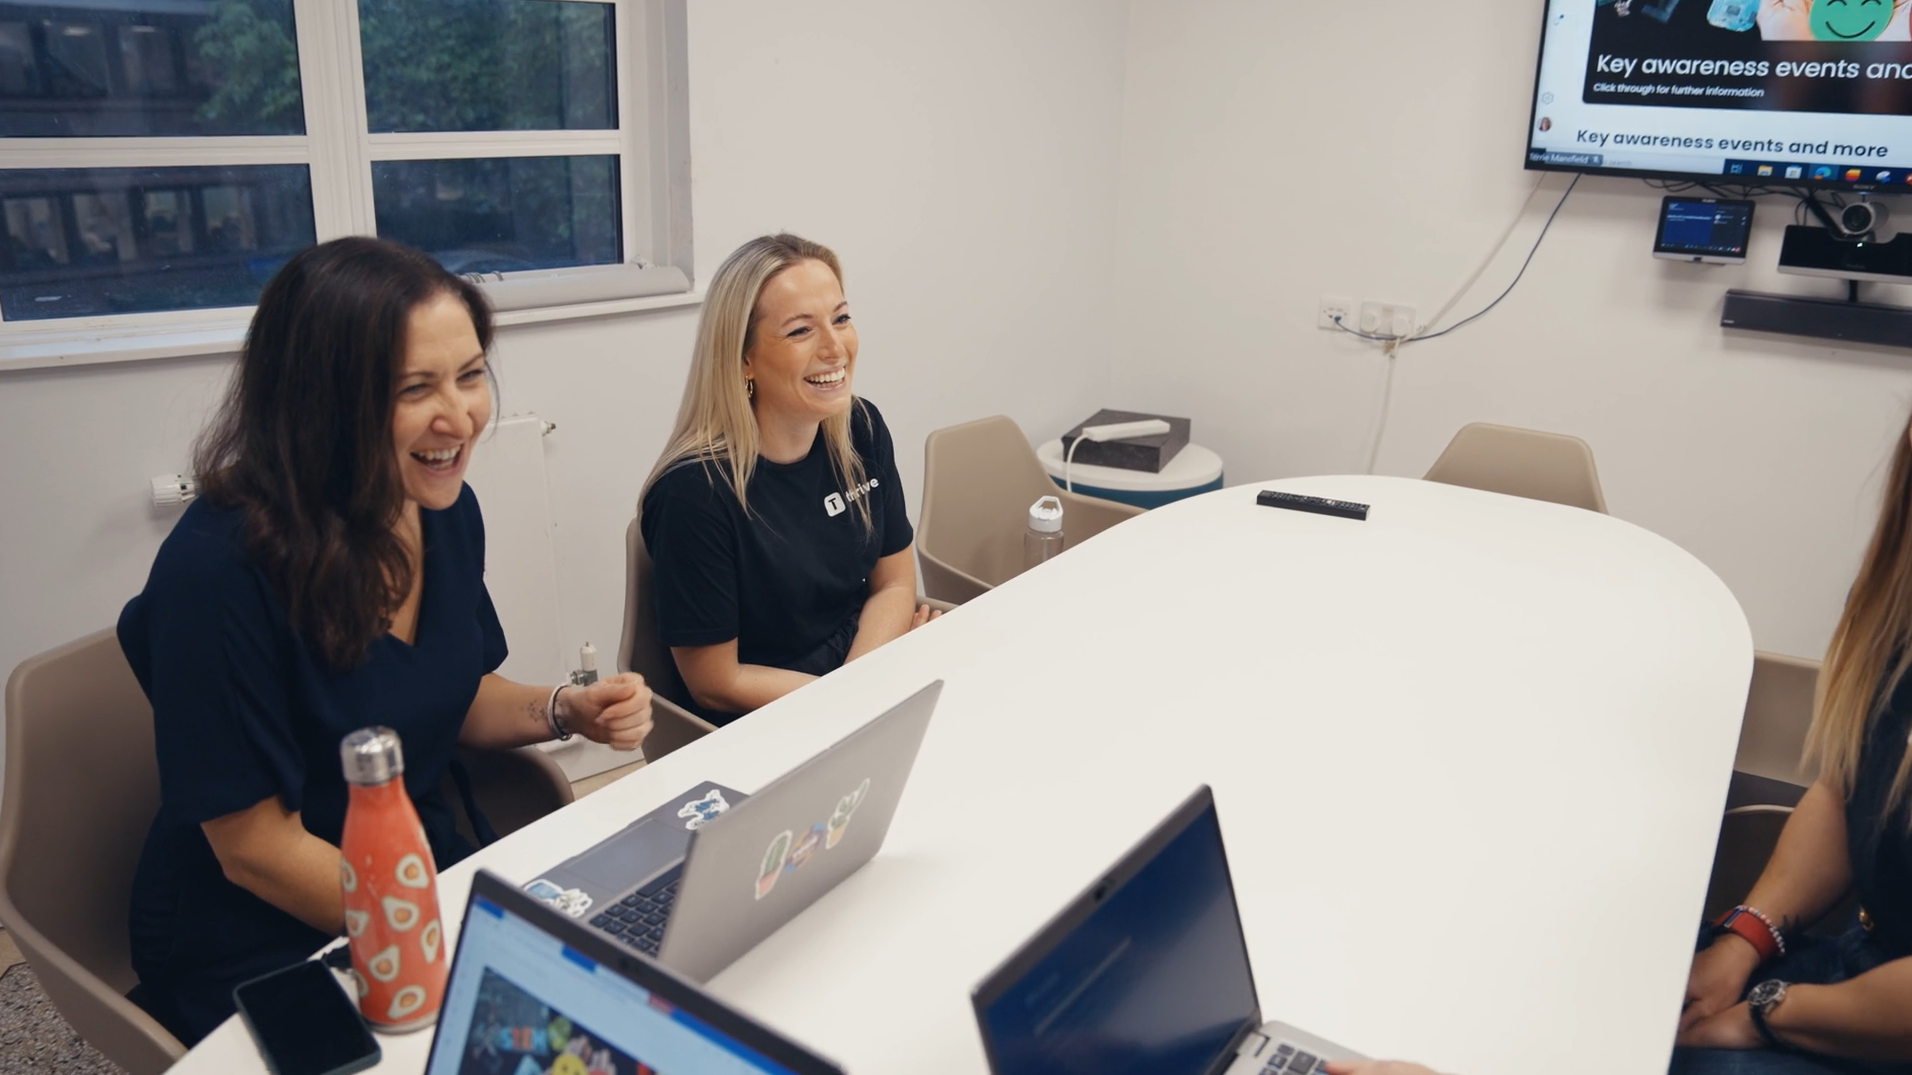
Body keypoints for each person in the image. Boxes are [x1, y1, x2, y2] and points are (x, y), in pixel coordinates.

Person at [120, 237, 654, 1045]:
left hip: (412, 872)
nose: (461, 415)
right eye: (415, 389)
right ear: (320, 401)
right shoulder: (216, 571)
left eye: (470, 375)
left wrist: (563, 708)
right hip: (257, 928)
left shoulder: (441, 510)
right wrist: (430, 925)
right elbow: (254, 849)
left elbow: (453, 690)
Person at [1670, 413, 1912, 1074]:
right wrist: (1746, 938)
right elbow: (1848, 790)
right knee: (1620, 978)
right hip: (1853, 971)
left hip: (1883, 1025)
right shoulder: (1899, 609)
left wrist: (1763, 1015)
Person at [639, 234, 936, 723]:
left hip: (853, 676)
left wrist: (865, 682)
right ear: (744, 359)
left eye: (841, 318)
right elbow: (716, 682)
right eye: (801, 332)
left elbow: (894, 583)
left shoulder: (861, 428)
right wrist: (852, 699)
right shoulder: (694, 494)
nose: (835, 347)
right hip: (768, 716)